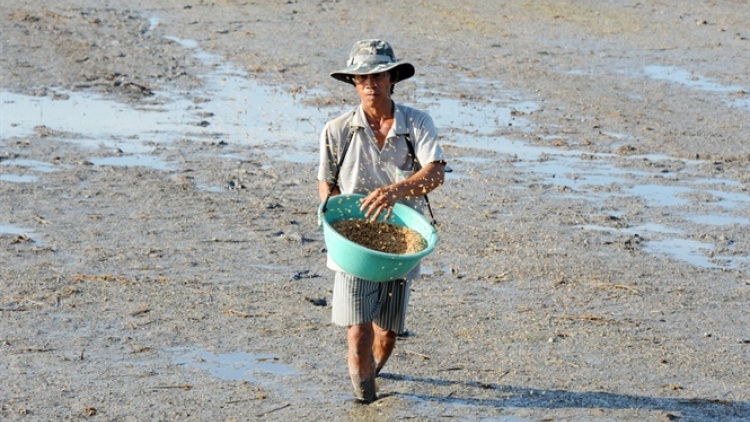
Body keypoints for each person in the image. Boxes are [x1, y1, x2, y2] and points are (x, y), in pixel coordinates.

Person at [317, 39, 447, 404]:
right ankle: (366, 400)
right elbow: (326, 181)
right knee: (357, 332)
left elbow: (435, 173)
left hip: (401, 239)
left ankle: (372, 371)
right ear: (354, 83)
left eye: (377, 76)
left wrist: (395, 191)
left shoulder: (416, 123)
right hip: (353, 243)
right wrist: (327, 216)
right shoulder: (337, 130)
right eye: (361, 78)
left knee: (386, 334)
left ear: (392, 78)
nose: (369, 84)